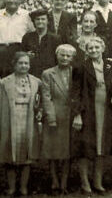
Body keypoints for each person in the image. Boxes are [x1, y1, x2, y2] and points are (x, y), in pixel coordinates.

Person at [0, 51, 44, 197]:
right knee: (10, 156)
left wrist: (41, 111)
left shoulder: (36, 81)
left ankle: (23, 187)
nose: (24, 66)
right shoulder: (4, 83)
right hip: (10, 120)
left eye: (26, 63)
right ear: (14, 64)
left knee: (27, 155)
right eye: (20, 63)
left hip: (29, 119)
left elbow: (41, 102)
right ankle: (12, 187)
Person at [70, 36, 112, 194]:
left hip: (106, 111)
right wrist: (77, 115)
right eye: (90, 48)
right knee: (85, 147)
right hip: (88, 111)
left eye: (97, 47)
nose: (94, 50)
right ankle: (84, 182)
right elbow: (75, 92)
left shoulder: (111, 66)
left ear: (102, 48)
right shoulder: (81, 67)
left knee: (101, 146)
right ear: (86, 51)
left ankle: (97, 182)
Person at [41, 44, 76, 194]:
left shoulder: (76, 72)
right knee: (53, 151)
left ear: (73, 58)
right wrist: (51, 117)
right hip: (54, 116)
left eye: (68, 56)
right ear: (57, 56)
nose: (65, 58)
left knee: (67, 151)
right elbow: (46, 97)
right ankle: (54, 181)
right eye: (62, 55)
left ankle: (64, 183)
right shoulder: (48, 74)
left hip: (72, 118)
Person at [0, 0, 35, 77]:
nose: (11, 0)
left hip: (19, 52)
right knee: (0, 79)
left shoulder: (27, 16)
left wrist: (29, 52)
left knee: (17, 78)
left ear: (20, 0)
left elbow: (33, 36)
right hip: (0, 53)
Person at [21, 8, 60, 77]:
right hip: (31, 73)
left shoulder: (55, 39)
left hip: (49, 74)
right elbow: (21, 55)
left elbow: (58, 59)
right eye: (37, 19)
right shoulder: (27, 37)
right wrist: (26, 55)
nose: (40, 21)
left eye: (43, 19)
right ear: (34, 21)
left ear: (48, 21)